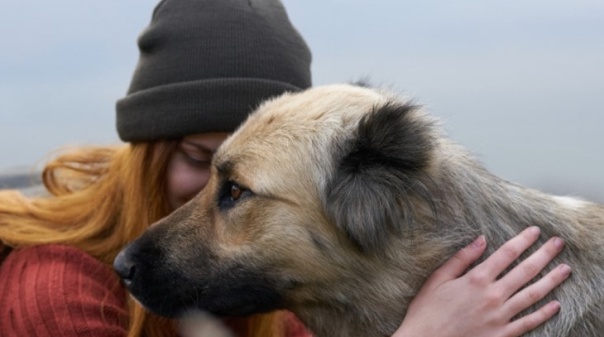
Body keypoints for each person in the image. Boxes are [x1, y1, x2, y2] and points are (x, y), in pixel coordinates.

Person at [0, 0, 570, 336]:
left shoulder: (280, 309)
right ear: (144, 152)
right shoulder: (53, 293)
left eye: (236, 190)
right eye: (199, 159)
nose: (203, 193)